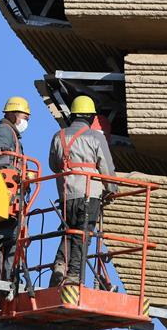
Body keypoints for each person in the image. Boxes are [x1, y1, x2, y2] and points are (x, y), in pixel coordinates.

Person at [48, 95, 116, 287]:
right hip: (89, 193)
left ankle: (60, 265)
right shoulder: (96, 137)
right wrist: (111, 189)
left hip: (66, 193)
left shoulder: (58, 136)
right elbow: (107, 168)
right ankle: (73, 276)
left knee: (68, 231)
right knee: (82, 235)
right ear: (90, 117)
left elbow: (53, 165)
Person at [0, 95, 31, 280]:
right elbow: (1, 153)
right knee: (11, 234)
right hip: (4, 192)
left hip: (2, 191)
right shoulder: (4, 130)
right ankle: (8, 276)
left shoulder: (12, 134)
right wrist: (16, 178)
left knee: (11, 234)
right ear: (11, 114)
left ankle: (4, 273)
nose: (26, 122)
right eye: (24, 117)